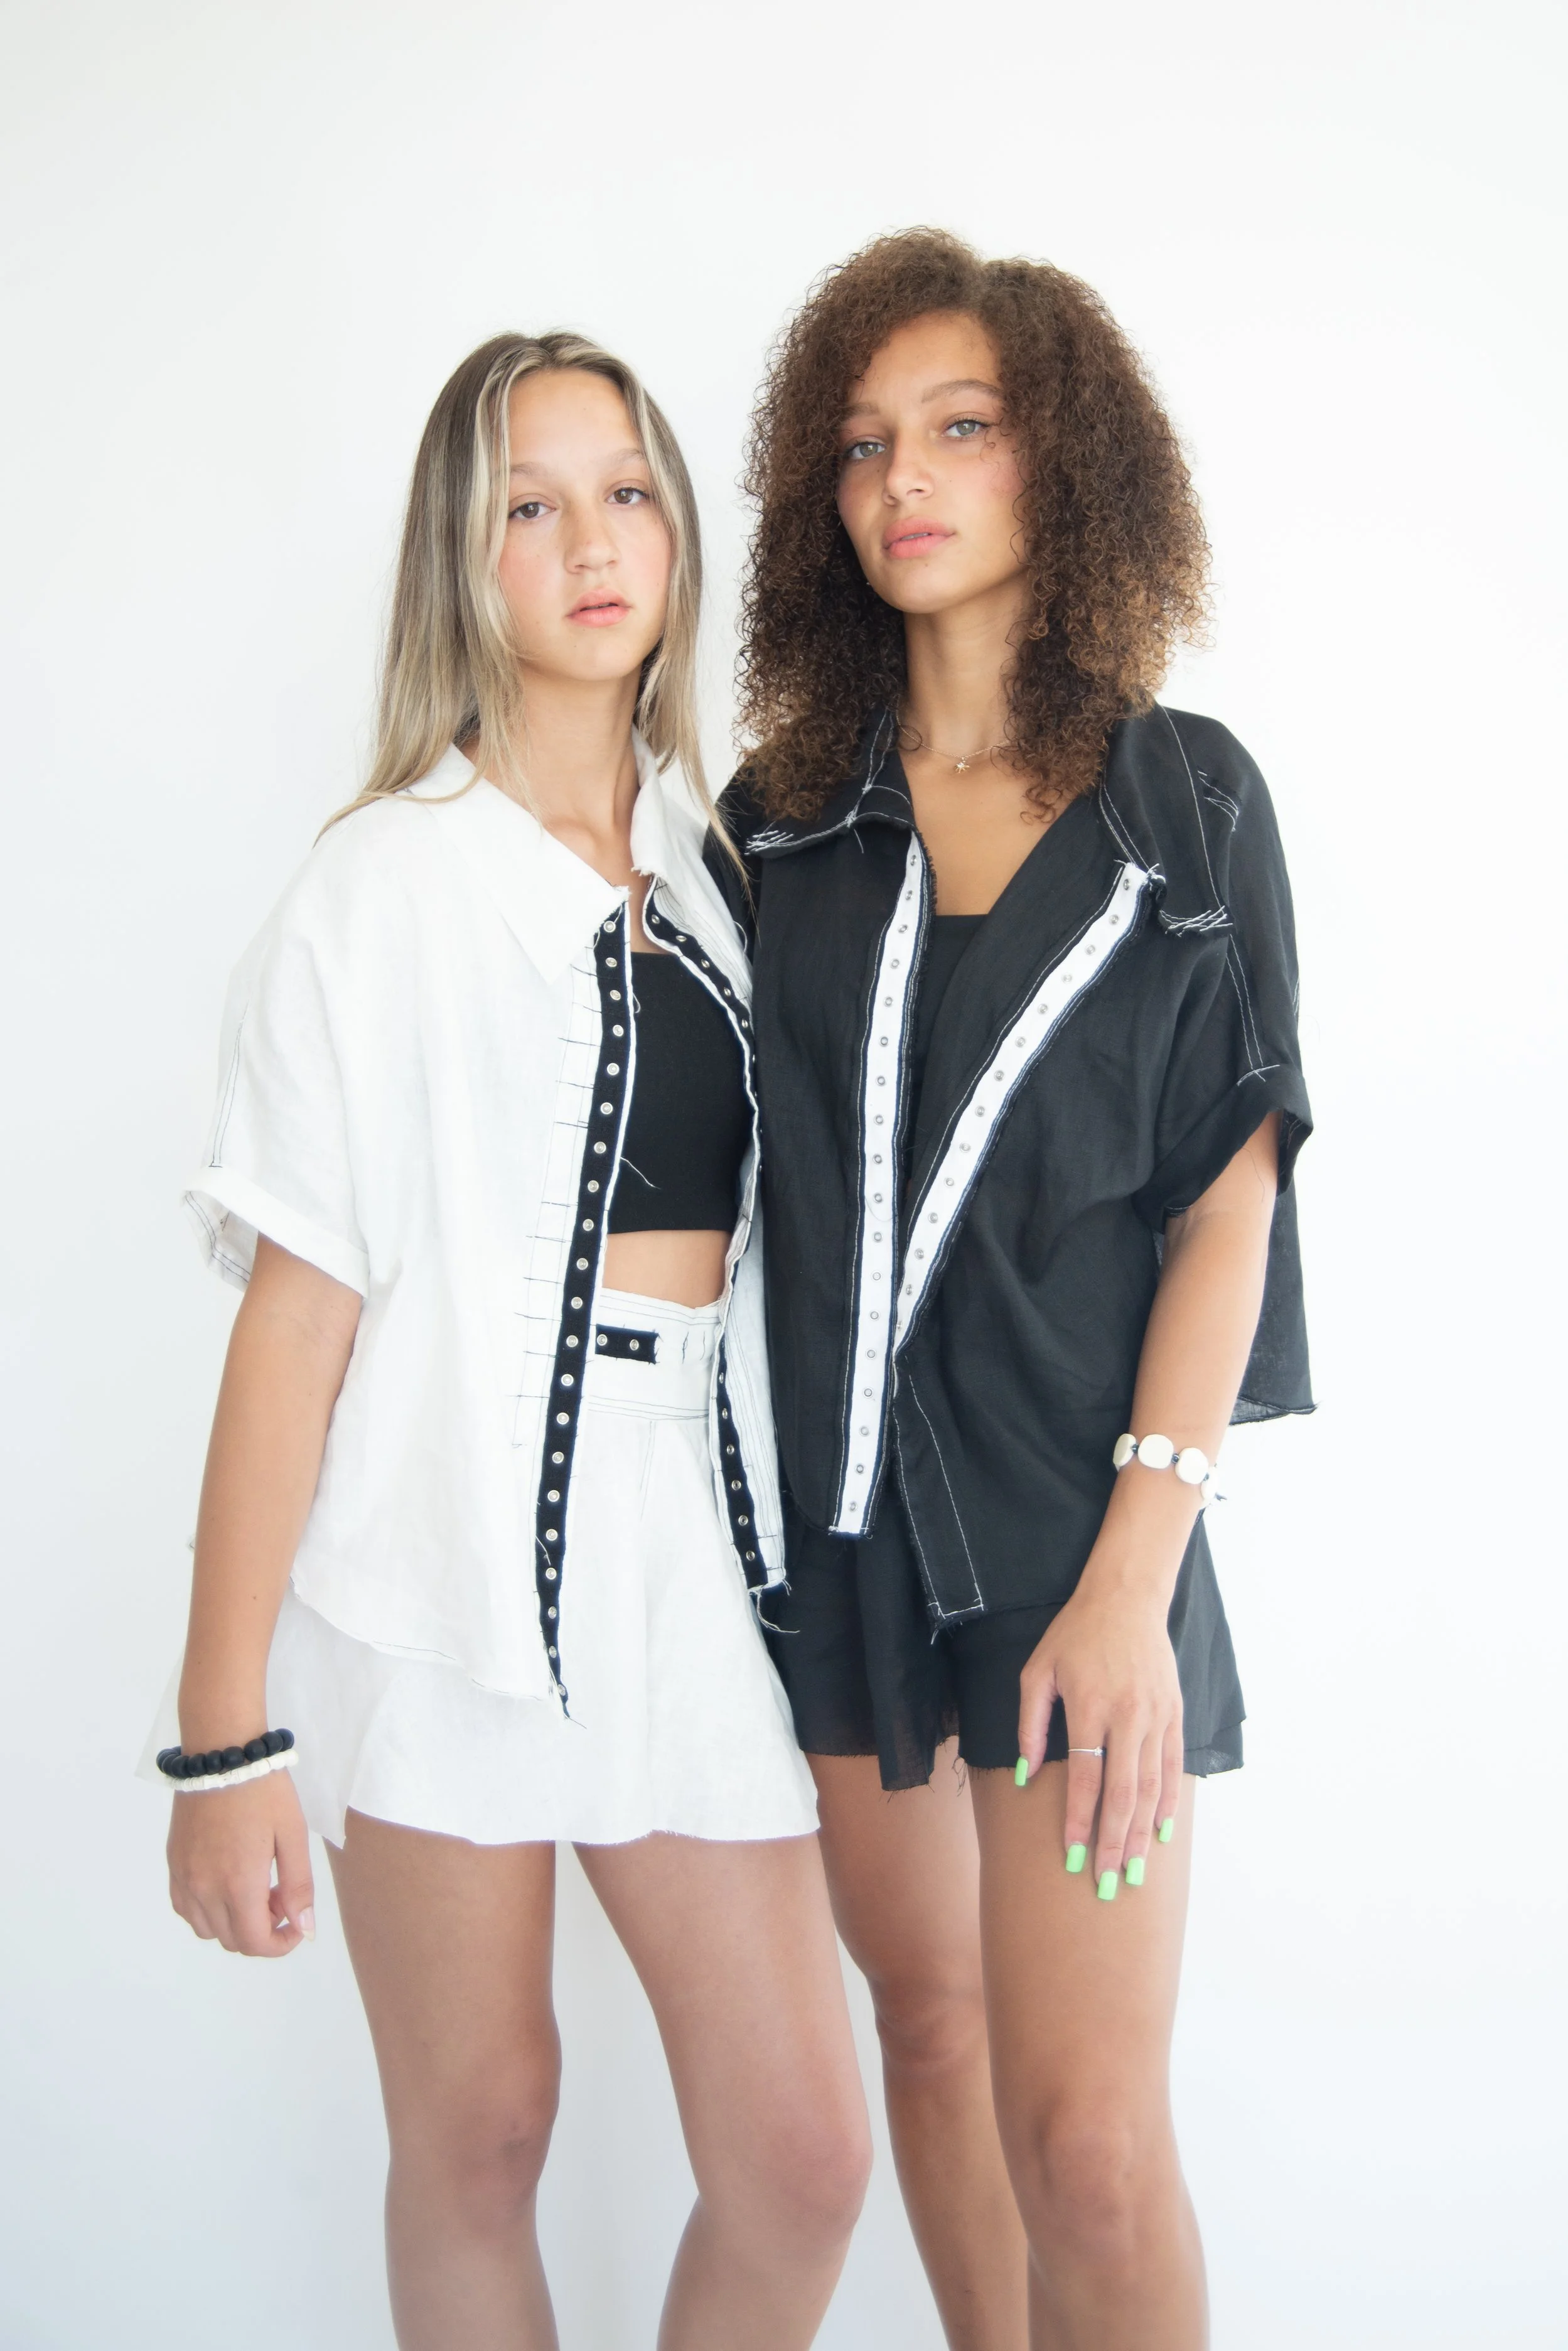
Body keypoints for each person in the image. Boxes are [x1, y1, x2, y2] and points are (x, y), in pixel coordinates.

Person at [153, 330, 871, 2351]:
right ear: (459, 561)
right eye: (528, 507)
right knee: (480, 2133)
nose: (590, 543)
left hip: (688, 1565)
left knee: (802, 2158)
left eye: (625, 492)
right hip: (435, 1566)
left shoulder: (720, 871)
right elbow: (296, 1326)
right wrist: (221, 1738)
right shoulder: (380, 886)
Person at [726, 231, 1313, 2351]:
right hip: (847, 1545)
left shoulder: (1186, 800)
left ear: (1062, 458)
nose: (903, 478)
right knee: (931, 2038)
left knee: (1088, 2147)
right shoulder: (782, 829)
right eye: (862, 443)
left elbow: (1229, 1210)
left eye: (960, 427)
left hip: (1087, 1535)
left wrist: (1130, 1586)